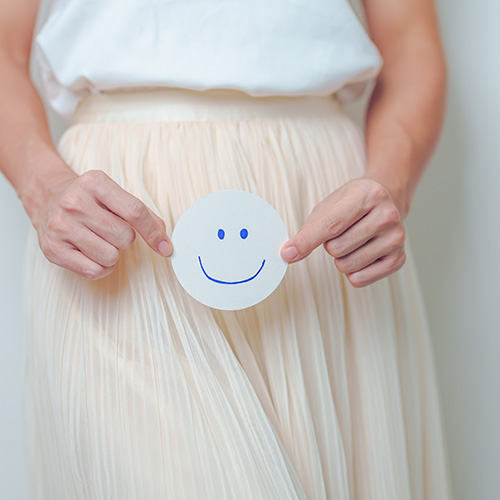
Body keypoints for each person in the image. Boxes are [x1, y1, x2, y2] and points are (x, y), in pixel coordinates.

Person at [0, 0, 451, 498]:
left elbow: (411, 46)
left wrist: (389, 183)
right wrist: (40, 185)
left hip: (320, 220)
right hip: (120, 224)